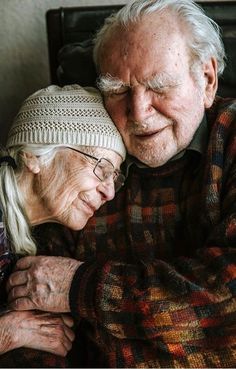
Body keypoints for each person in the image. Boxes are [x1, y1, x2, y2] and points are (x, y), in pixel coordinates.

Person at [7, 0, 236, 367]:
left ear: (207, 80)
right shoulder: (82, 158)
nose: (139, 112)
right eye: (117, 90)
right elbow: (37, 307)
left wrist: (81, 287)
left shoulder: (232, 141)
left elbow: (228, 298)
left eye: (159, 86)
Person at [0, 84, 125, 367]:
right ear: (33, 156)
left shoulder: (31, 237)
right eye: (101, 168)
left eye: (115, 177)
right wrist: (9, 332)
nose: (110, 193)